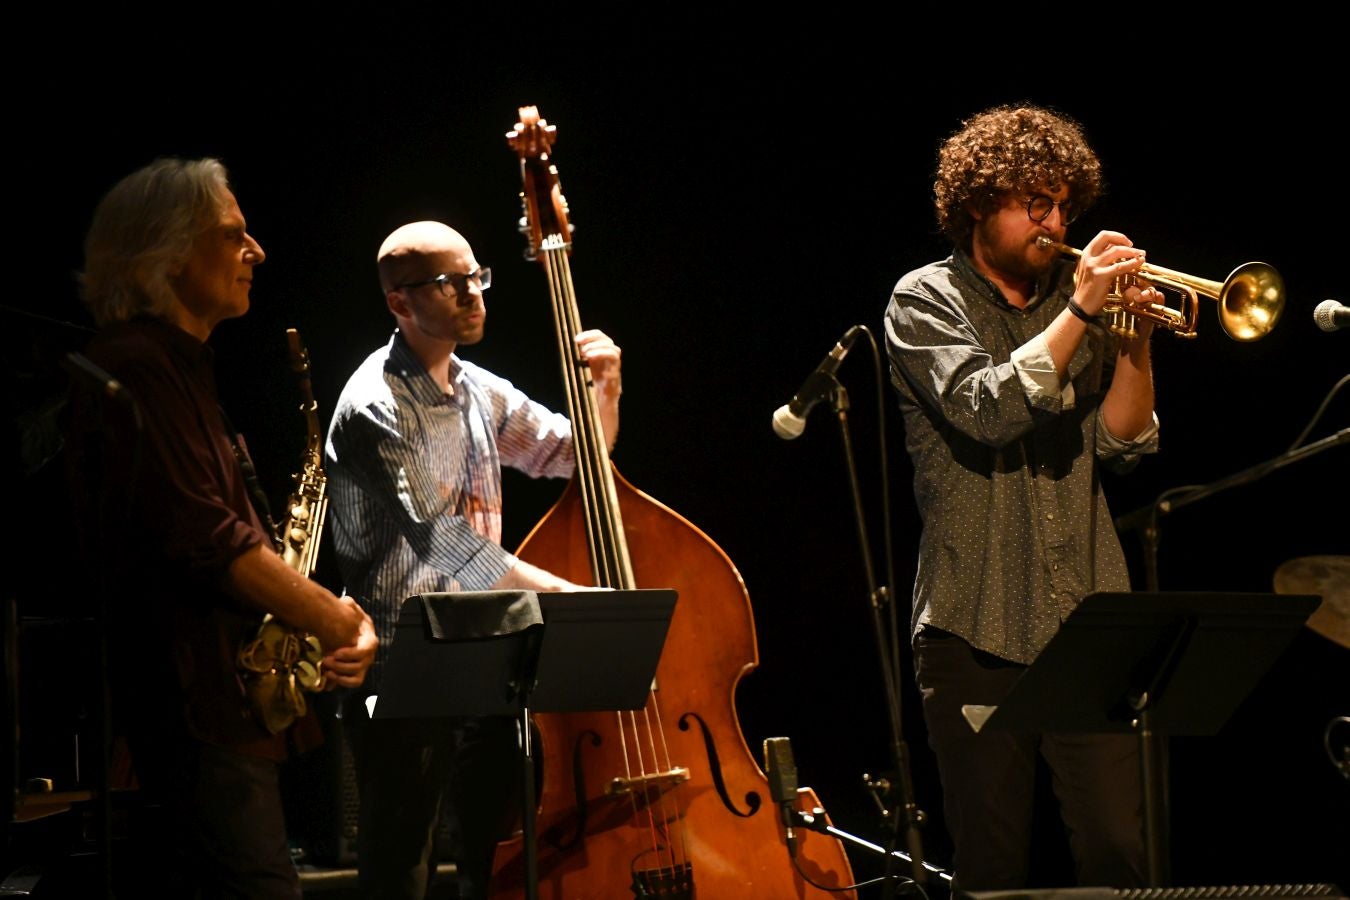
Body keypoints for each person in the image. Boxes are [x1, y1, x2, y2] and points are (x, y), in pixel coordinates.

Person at [64, 157, 378, 899]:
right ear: (167, 251)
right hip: (196, 717)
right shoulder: (136, 367)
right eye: (233, 234)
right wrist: (334, 618)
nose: (257, 251)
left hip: (220, 719)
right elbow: (211, 539)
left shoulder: (180, 370)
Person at [883, 104, 1159, 891]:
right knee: (994, 867)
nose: (1054, 222)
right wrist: (1080, 313)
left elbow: (1125, 444)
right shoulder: (923, 299)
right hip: (973, 625)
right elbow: (989, 409)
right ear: (978, 202)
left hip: (1087, 617)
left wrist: (1134, 342)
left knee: (1120, 857)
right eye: (1034, 203)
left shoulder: (1078, 306)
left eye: (1065, 204)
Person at [324, 220, 623, 899]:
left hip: (485, 654)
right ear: (400, 303)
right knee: (402, 865)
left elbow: (575, 455)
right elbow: (447, 544)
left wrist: (606, 388)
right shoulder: (374, 406)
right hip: (399, 663)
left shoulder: (477, 389)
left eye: (476, 277)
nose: (473, 295)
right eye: (450, 284)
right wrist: (566, 598)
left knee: (497, 855)